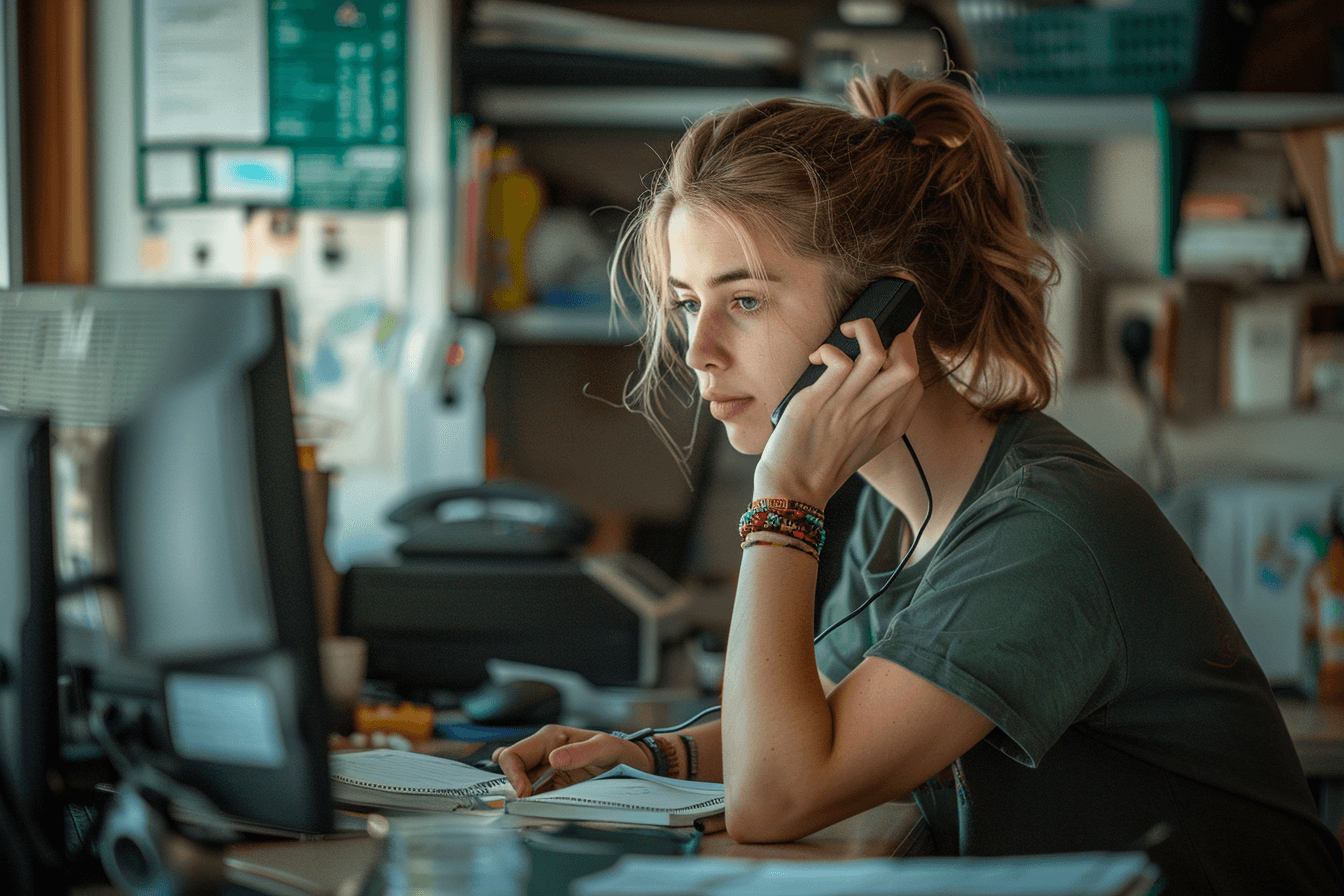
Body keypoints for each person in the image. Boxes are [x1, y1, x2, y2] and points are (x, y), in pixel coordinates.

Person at [493, 68, 1344, 894]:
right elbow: (822, 720)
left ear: (883, 309)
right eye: (686, 302)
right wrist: (648, 756)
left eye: (743, 299)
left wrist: (782, 500)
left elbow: (776, 796)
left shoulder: (1042, 533)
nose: (698, 347)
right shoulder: (890, 512)